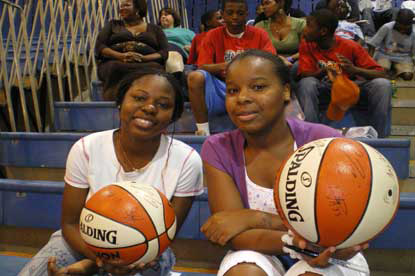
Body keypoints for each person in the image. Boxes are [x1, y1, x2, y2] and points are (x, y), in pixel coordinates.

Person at [19, 68, 204, 276]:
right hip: (82, 241)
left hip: (149, 250)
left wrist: (91, 266)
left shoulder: (188, 160)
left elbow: (165, 236)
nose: (150, 107)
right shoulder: (86, 148)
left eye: (163, 105)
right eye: (139, 98)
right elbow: (70, 224)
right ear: (120, 102)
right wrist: (98, 259)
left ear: (173, 116)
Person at [200, 49, 369, 276]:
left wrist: (255, 218)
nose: (242, 97)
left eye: (258, 87)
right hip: (261, 249)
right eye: (233, 90)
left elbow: (340, 236)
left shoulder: (325, 142)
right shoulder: (218, 148)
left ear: (285, 91)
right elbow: (231, 233)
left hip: (332, 255)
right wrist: (305, 241)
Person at [295, 9, 392, 138]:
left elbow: (381, 74)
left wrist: (355, 70)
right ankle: (312, 137)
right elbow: (304, 75)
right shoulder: (306, 45)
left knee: (382, 85)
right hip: (325, 87)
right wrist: (322, 71)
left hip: (351, 87)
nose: (304, 29)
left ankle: (379, 138)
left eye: (309, 25)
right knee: (306, 83)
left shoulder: (350, 46)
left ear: (323, 31)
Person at [187, 0, 276, 136]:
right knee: (195, 76)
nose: (235, 17)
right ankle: (203, 131)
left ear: (247, 14)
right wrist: (229, 66)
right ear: (222, 14)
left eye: (240, 13)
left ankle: (266, 131)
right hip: (221, 86)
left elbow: (271, 62)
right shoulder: (212, 35)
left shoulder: (260, 34)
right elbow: (203, 65)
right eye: (230, 13)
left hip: (251, 86)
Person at [95, 0, 169, 100]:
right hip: (115, 61)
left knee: (155, 69)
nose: (122, 8)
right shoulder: (113, 25)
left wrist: (144, 58)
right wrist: (120, 56)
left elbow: (164, 52)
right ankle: (116, 102)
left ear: (138, 8)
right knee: (115, 67)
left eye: (126, 5)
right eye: (121, 6)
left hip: (146, 63)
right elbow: (100, 46)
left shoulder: (155, 29)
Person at [368, 9, 415, 81]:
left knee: (408, 76)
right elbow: (372, 45)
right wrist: (369, 63)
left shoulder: (414, 33)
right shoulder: (387, 27)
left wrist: (411, 68)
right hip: (384, 55)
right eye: (400, 27)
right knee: (380, 73)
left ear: (410, 24)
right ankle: (390, 73)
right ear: (396, 21)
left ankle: (394, 72)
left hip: (404, 58)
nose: (402, 30)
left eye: (405, 28)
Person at [256, 0, 306, 65]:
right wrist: (279, 60)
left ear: (281, 3)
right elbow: (257, 52)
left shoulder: (300, 24)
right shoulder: (260, 26)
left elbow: (306, 51)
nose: (263, 7)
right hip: (270, 63)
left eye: (267, 3)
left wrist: (290, 59)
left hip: (294, 62)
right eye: (262, 4)